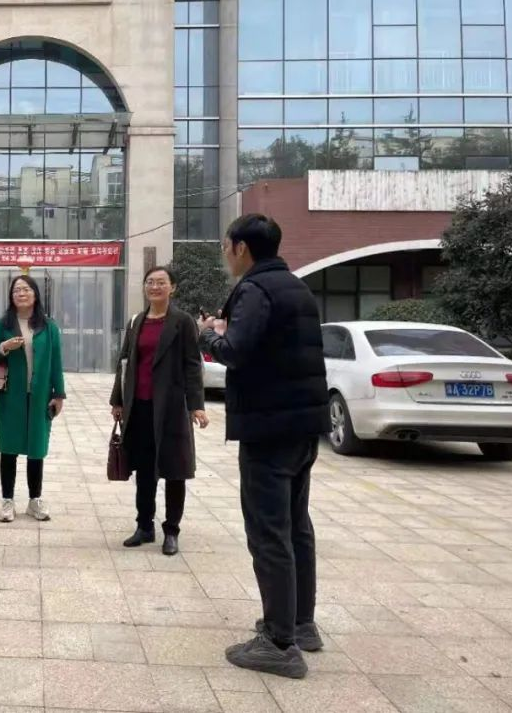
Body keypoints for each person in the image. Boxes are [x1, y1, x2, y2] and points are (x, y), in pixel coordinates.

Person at [199, 214, 330, 680]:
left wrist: (207, 334)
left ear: (241, 247)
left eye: (226, 246)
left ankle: (278, 643)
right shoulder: (296, 287)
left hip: (269, 429)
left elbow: (236, 350)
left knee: (269, 533)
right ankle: (301, 624)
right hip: (302, 426)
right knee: (296, 528)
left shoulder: (255, 289)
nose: (225, 254)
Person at [110, 266, 209, 556]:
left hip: (172, 408)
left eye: (161, 282)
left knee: (175, 470)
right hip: (139, 407)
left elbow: (193, 365)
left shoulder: (183, 321)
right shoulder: (136, 321)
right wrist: (118, 401)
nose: (155, 287)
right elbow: (124, 362)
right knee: (144, 470)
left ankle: (172, 530)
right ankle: (144, 526)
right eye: (150, 282)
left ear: (172, 288)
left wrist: (196, 405)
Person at [0, 275, 65, 523]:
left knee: (36, 448)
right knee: (8, 447)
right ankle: (7, 501)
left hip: (40, 396)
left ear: (35, 294)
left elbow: (56, 362)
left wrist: (59, 394)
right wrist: (4, 346)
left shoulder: (49, 327)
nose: (21, 293)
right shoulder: (3, 325)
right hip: (11, 395)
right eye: (16, 290)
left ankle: (34, 500)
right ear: (11, 296)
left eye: (26, 289)